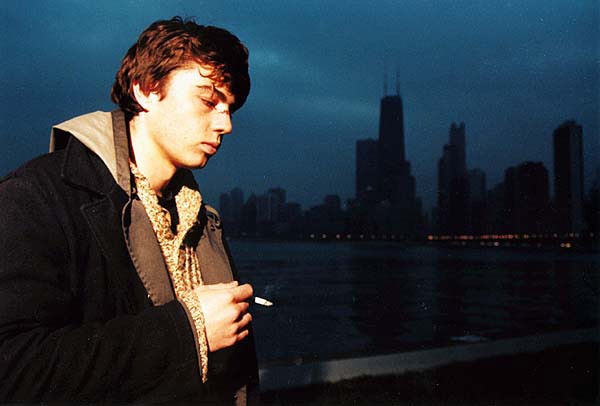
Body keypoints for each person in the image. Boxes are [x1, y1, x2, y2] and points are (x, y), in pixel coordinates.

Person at [0, 16, 258, 403]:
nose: (226, 124)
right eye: (208, 101)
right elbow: (14, 370)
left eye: (230, 109)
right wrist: (189, 331)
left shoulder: (202, 222)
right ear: (146, 89)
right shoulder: (36, 196)